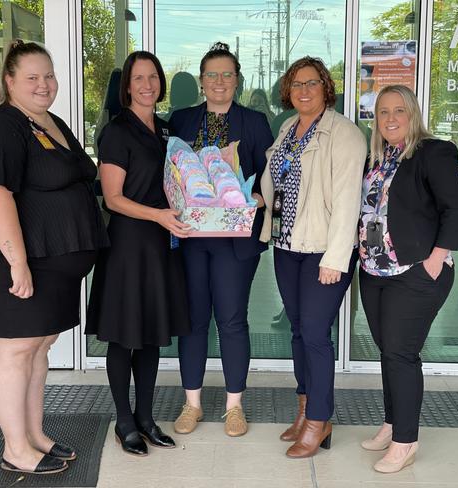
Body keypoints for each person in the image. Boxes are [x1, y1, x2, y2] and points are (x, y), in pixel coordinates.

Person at [0, 40, 108, 475]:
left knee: (39, 347)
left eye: (49, 76)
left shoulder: (49, 121)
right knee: (15, 351)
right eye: (32, 78)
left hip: (50, 261)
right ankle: (15, 449)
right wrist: (18, 262)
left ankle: (34, 435)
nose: (44, 85)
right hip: (13, 259)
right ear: (8, 81)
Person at [260, 56, 367, 458]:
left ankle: (320, 420)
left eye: (312, 83)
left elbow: (346, 203)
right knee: (298, 330)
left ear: (326, 88)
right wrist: (259, 198)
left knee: (316, 335)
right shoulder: (288, 127)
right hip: (287, 245)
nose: (304, 91)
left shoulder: (344, 134)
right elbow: (275, 176)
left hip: (325, 249)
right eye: (297, 84)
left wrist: (336, 258)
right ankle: (304, 410)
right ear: (288, 91)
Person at [86, 51, 191, 457]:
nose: (147, 85)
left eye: (153, 77)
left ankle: (146, 418)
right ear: (126, 86)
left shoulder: (166, 132)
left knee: (151, 338)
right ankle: (123, 421)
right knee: (123, 336)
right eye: (138, 78)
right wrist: (158, 216)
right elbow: (112, 199)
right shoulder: (117, 132)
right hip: (129, 245)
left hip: (163, 245)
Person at [358, 84, 458, 473]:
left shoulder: (433, 152)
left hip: (415, 272)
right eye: (382, 111)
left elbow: (455, 208)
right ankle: (391, 423)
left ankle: (405, 442)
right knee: (389, 351)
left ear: (413, 114)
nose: (390, 118)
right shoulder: (376, 157)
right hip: (374, 272)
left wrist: (436, 259)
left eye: (398, 110)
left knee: (401, 353)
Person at [169, 42, 273, 437]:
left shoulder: (255, 121)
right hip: (193, 238)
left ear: (237, 79)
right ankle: (191, 404)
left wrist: (261, 197)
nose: (219, 81)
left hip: (236, 240)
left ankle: (234, 406)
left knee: (231, 320)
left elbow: (267, 175)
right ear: (201, 80)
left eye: (227, 74)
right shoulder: (180, 121)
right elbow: (170, 173)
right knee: (194, 321)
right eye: (211, 74)